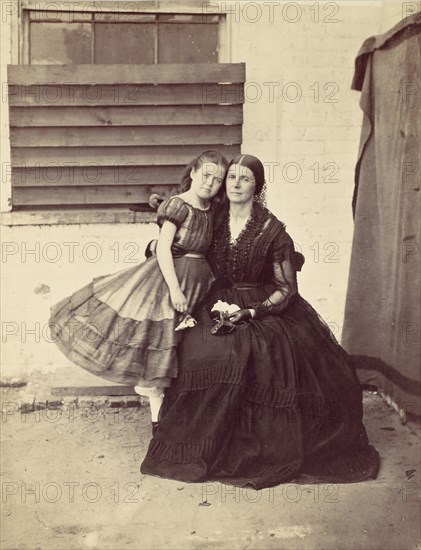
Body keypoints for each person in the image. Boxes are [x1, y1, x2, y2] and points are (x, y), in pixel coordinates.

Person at [140, 154, 380, 489]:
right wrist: (157, 243)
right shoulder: (214, 218)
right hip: (213, 298)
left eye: (245, 179)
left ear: (257, 186)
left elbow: (286, 289)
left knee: (254, 353)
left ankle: (256, 447)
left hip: (262, 305)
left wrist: (252, 312)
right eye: (232, 178)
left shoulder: (272, 230)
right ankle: (199, 441)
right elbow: (183, 238)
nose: (235, 184)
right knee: (200, 349)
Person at [49, 150, 228, 432]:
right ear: (193, 173)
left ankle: (183, 416)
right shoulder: (178, 205)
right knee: (159, 345)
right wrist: (174, 291)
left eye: (217, 180)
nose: (209, 183)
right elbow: (164, 248)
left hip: (198, 284)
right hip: (168, 282)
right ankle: (159, 423)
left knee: (185, 349)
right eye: (205, 175)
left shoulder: (211, 211)